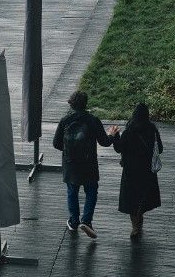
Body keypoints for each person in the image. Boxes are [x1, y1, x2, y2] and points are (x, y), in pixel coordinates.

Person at [52, 91, 114, 238]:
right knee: (91, 192)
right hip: (89, 164)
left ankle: (73, 221)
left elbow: (56, 144)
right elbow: (104, 142)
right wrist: (112, 134)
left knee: (72, 192)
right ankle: (86, 221)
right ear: (86, 104)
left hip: (70, 164)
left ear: (71, 104)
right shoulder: (93, 120)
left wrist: (69, 150)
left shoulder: (65, 120)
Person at [111, 103, 163, 240]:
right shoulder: (152, 129)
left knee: (132, 199)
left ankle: (135, 227)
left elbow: (119, 148)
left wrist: (115, 135)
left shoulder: (129, 131)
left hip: (131, 170)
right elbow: (160, 149)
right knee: (143, 197)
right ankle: (139, 224)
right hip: (147, 171)